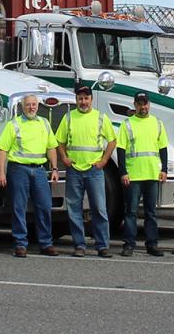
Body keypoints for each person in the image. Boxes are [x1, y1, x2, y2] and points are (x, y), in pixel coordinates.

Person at [56, 85, 117, 258]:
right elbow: (59, 141)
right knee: (74, 209)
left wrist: (104, 160)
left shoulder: (100, 118)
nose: (83, 102)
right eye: (80, 98)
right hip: (74, 170)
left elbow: (112, 141)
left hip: (94, 170)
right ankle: (79, 245)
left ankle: (102, 245)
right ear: (76, 100)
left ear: (91, 99)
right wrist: (64, 158)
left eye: (86, 98)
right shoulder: (68, 118)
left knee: (99, 209)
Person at [0, 94, 60, 258]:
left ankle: (46, 243)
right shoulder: (14, 124)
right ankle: (20, 244)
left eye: (33, 104)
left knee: (45, 206)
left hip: (39, 170)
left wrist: (54, 168)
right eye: (28, 105)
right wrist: (1, 172)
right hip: (18, 169)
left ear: (38, 106)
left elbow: (51, 147)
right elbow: (3, 150)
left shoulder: (44, 124)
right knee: (19, 207)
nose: (31, 107)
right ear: (22, 107)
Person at [116, 92, 168, 257]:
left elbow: (163, 148)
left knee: (151, 212)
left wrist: (164, 169)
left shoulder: (157, 123)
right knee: (131, 212)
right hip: (134, 175)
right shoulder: (127, 124)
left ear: (149, 104)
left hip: (152, 174)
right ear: (135, 105)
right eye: (139, 104)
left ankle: (152, 244)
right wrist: (123, 172)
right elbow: (121, 150)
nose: (143, 107)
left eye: (145, 103)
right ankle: (129, 244)